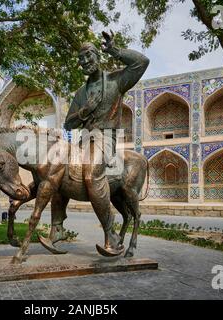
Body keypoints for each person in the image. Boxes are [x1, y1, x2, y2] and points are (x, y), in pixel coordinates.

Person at [63, 31, 149, 254]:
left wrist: (115, 50)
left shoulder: (115, 80)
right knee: (57, 174)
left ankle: (110, 233)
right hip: (84, 141)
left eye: (88, 56)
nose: (84, 62)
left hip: (105, 138)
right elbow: (68, 124)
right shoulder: (81, 93)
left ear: (97, 56)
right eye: (81, 59)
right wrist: (84, 111)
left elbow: (142, 62)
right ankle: (56, 228)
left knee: (91, 173)